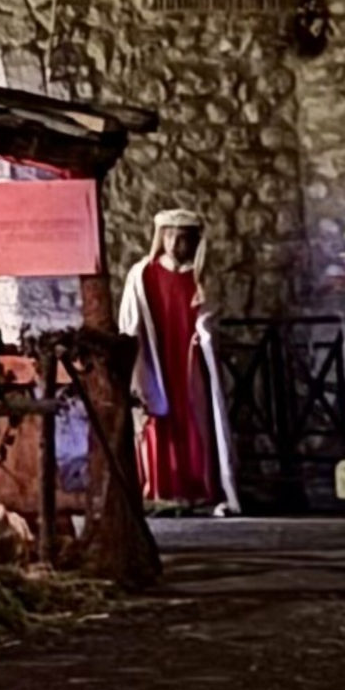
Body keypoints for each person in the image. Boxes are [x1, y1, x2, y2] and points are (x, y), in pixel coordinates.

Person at [118, 209, 238, 510]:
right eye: (169, 236)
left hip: (189, 361)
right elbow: (130, 320)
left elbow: (209, 319)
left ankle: (199, 487)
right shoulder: (143, 275)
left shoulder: (201, 278)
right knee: (159, 419)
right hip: (155, 358)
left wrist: (203, 333)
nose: (174, 244)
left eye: (182, 238)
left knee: (195, 420)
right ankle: (161, 489)